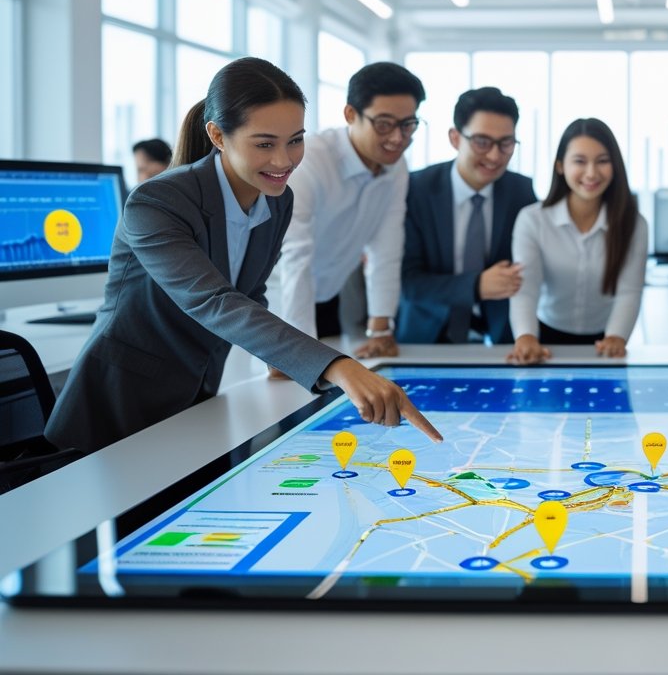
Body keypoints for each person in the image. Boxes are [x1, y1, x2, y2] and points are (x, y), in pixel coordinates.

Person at [45, 58, 442, 454]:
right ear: (218, 135)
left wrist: (282, 355)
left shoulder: (277, 199)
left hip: (196, 402)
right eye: (265, 144)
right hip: (116, 409)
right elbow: (212, 299)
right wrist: (335, 365)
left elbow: (250, 290)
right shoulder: (157, 200)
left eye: (295, 140)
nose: (284, 161)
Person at [270, 62, 423, 368]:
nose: (397, 138)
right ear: (351, 115)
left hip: (327, 295)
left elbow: (387, 248)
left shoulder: (396, 167)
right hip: (274, 299)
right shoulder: (310, 160)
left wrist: (381, 327)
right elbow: (295, 256)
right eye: (384, 124)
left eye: (408, 125)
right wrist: (296, 352)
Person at [396, 86, 536, 344]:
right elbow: (408, 281)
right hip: (424, 337)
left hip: (501, 340)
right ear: (455, 138)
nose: (495, 156)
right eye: (482, 142)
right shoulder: (416, 189)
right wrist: (476, 286)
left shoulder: (522, 192)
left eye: (506, 143)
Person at [507, 118, 648, 364]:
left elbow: (629, 291)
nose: (592, 173)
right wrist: (525, 336)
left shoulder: (634, 224)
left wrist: (617, 337)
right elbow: (526, 289)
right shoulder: (532, 220)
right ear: (560, 166)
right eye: (580, 161)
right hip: (545, 336)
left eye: (602, 161)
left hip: (607, 340)